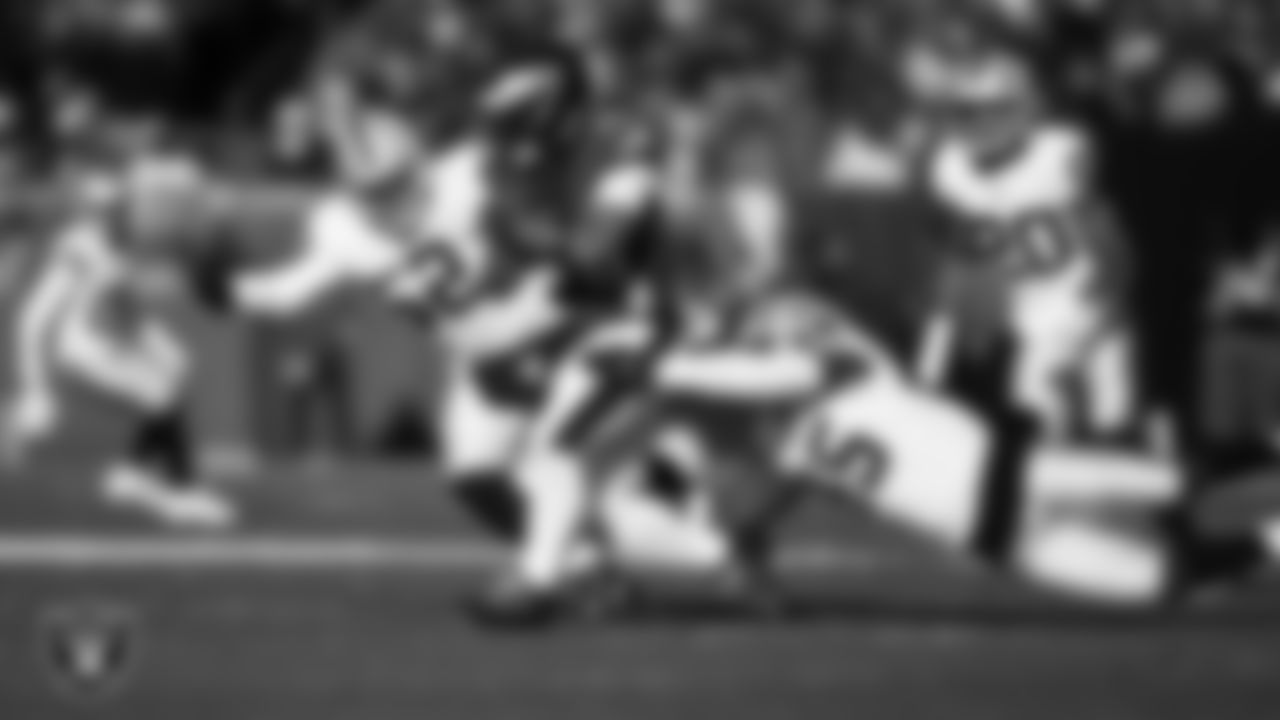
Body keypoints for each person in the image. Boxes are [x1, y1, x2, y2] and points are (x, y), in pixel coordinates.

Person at [2, 156, 235, 528]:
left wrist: (156, 341)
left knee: (175, 371)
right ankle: (183, 491)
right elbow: (34, 318)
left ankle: (132, 472)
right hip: (88, 347)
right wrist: (36, 389)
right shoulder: (80, 246)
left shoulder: (131, 237)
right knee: (161, 395)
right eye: (119, 207)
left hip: (117, 336)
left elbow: (128, 301)